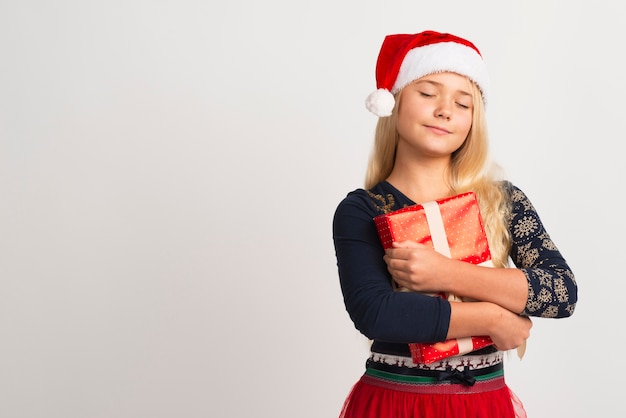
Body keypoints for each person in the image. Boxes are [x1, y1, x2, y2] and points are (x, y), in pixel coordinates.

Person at [332, 30, 578, 418]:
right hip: (396, 403)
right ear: (393, 103)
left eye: (463, 103)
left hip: (483, 403)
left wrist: (445, 273)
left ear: (473, 120)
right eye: (428, 94)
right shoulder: (364, 210)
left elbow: (560, 292)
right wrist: (494, 318)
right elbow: (377, 313)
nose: (445, 110)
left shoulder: (501, 201)